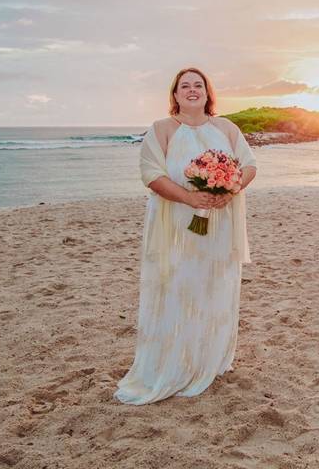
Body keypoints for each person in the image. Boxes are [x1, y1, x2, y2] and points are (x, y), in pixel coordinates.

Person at [114, 67, 257, 404]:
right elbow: (150, 173)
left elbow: (249, 164)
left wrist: (231, 188)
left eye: (198, 85)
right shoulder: (161, 129)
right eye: (185, 86)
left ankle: (210, 359)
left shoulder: (227, 128)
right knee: (178, 288)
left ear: (208, 93)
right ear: (175, 95)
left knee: (214, 288)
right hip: (176, 226)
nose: (192, 90)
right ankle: (175, 363)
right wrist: (190, 197)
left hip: (219, 225)